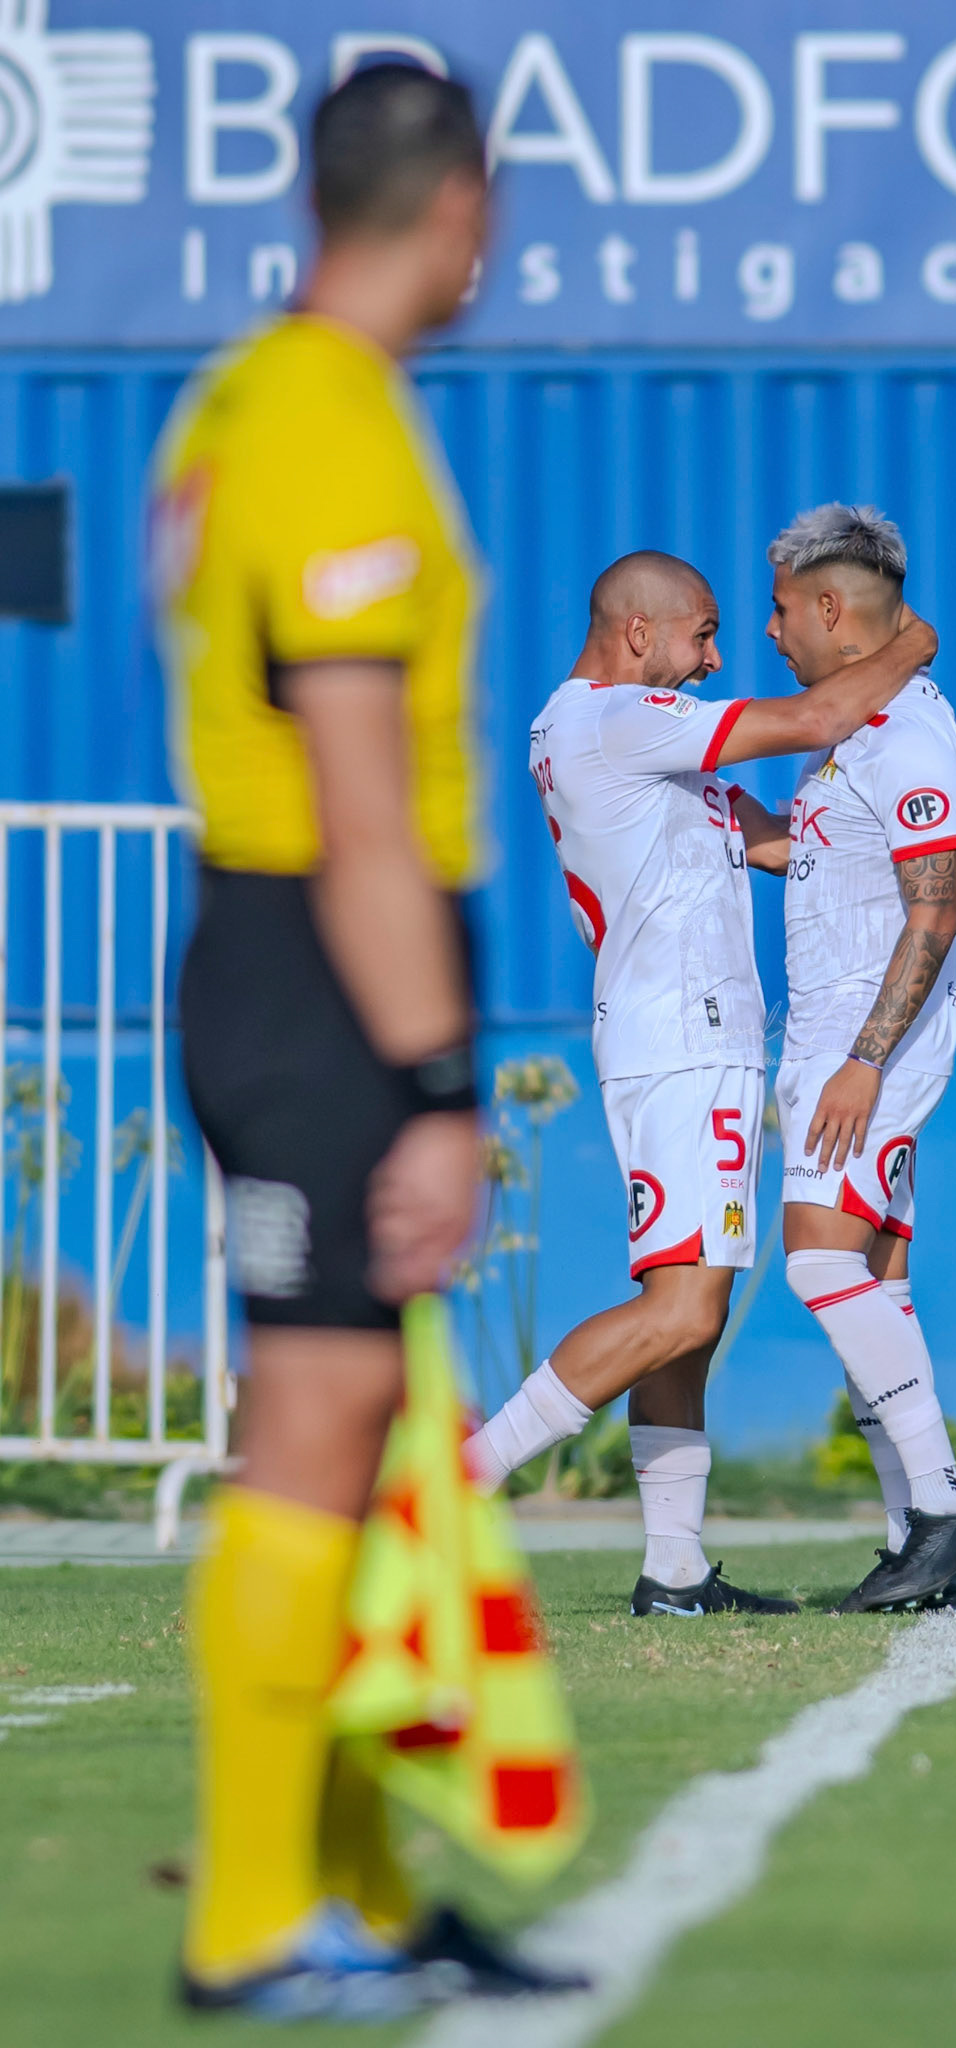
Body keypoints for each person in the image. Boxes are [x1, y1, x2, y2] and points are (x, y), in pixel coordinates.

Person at [154, 65, 562, 2018]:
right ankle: (250, 1927)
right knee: (316, 1429)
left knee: (358, 1431)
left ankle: (366, 1897)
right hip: (319, 967)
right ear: (457, 207)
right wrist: (436, 1088)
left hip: (290, 956)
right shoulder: (321, 422)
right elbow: (362, 799)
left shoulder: (253, 399)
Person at [465, 551, 937, 1617]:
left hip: (675, 1039)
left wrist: (923, 867)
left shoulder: (635, 742)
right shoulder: (616, 719)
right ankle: (451, 1489)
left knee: (690, 1309)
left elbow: (778, 843)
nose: (717, 658)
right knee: (680, 1311)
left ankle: (674, 1568)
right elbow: (817, 717)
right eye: (704, 634)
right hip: (683, 1040)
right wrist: (912, 645)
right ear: (639, 633)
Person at [759, 504, 956, 1613]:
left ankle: (946, 1510)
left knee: (818, 1264)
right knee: (876, 1284)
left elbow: (933, 913)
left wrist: (863, 1060)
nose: (770, 633)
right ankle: (914, 1539)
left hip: (868, 1049)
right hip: (835, 1040)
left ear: (829, 608)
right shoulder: (851, 730)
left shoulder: (909, 733)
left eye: (779, 611)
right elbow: (825, 861)